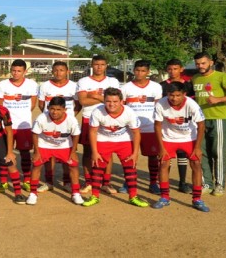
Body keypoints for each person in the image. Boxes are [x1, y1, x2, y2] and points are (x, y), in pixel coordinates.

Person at [82, 88, 149, 208]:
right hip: (104, 140)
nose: (111, 104)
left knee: (130, 168)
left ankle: (133, 196)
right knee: (97, 167)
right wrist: (95, 152)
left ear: (121, 101)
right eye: (108, 101)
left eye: (115, 101)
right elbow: (92, 132)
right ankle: (95, 196)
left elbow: (136, 133)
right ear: (104, 100)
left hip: (124, 141)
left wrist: (135, 153)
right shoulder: (97, 111)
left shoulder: (129, 112)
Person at [152, 82, 209, 212]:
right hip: (168, 138)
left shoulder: (191, 104)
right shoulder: (161, 103)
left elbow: (201, 125)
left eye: (178, 95)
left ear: (184, 94)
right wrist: (161, 148)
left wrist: (198, 147)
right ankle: (164, 197)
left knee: (196, 164)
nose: (174, 98)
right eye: (171, 95)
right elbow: (157, 126)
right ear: (167, 94)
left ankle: (197, 199)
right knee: (163, 164)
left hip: (189, 138)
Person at [192, 52, 226, 196]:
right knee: (202, 153)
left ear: (210, 62)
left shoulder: (221, 76)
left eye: (203, 63)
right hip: (200, 121)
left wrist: (218, 99)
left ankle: (219, 185)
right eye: (197, 63)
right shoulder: (195, 78)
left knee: (218, 153)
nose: (200, 66)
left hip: (218, 119)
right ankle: (207, 183)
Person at [76, 55, 120, 194]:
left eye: (102, 64)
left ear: (106, 65)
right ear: (92, 65)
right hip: (88, 118)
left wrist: (95, 96)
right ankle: (88, 182)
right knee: (88, 151)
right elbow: (83, 101)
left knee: (108, 151)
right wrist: (106, 100)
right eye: (96, 64)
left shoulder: (113, 81)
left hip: (108, 119)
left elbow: (117, 102)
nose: (99, 67)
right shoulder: (83, 81)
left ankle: (106, 182)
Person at [27, 97, 83, 205]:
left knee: (73, 165)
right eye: (52, 109)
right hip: (45, 145)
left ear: (64, 109)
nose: (55, 112)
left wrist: (73, 152)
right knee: (36, 165)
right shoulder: (42, 118)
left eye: (58, 109)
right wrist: (36, 152)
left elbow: (76, 135)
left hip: (64, 145)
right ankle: (33, 194)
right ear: (48, 108)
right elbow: (35, 134)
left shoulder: (71, 119)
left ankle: (76, 193)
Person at [120, 60, 163, 195]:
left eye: (143, 71)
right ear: (133, 71)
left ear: (148, 72)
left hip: (150, 127)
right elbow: (122, 107)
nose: (140, 73)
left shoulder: (156, 87)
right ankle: (128, 181)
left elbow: (159, 107)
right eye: (137, 70)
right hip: (131, 129)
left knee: (153, 156)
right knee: (130, 156)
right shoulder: (126, 87)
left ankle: (153, 182)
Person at [37, 61, 81, 192]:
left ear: (67, 72)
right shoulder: (45, 86)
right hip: (49, 123)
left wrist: (70, 116)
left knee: (67, 152)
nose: (58, 73)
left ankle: (67, 181)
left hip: (66, 124)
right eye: (56, 70)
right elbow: (41, 104)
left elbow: (78, 105)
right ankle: (49, 181)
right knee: (48, 153)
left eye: (61, 70)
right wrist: (49, 117)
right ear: (52, 71)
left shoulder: (74, 86)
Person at [0, 59, 38, 192]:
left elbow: (32, 105)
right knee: (4, 153)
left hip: (23, 125)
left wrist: (22, 114)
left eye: (19, 71)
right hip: (6, 125)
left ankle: (26, 179)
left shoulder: (31, 84)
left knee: (25, 153)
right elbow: (0, 105)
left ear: (25, 71)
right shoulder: (2, 85)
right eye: (14, 70)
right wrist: (7, 120)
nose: (16, 73)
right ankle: (3, 181)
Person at [159, 59, 195, 193]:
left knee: (182, 154)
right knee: (167, 155)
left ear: (181, 69)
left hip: (184, 122)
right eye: (170, 69)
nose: (172, 71)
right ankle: (164, 183)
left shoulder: (188, 84)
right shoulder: (162, 85)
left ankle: (182, 182)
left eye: (175, 68)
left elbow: (192, 103)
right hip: (168, 123)